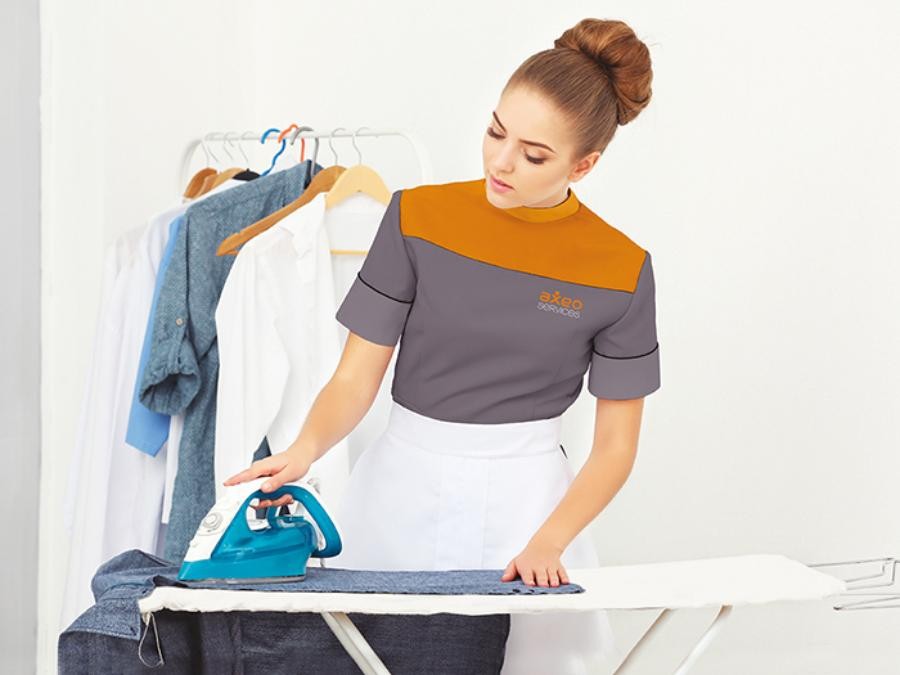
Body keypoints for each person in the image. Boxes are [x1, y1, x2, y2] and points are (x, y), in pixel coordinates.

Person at [225, 16, 659, 675]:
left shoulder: (620, 268)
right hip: (401, 486)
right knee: (368, 657)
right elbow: (355, 378)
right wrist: (304, 448)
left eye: (534, 155)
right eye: (496, 132)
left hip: (530, 504)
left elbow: (616, 447)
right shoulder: (416, 218)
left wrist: (549, 540)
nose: (501, 162)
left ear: (584, 164)